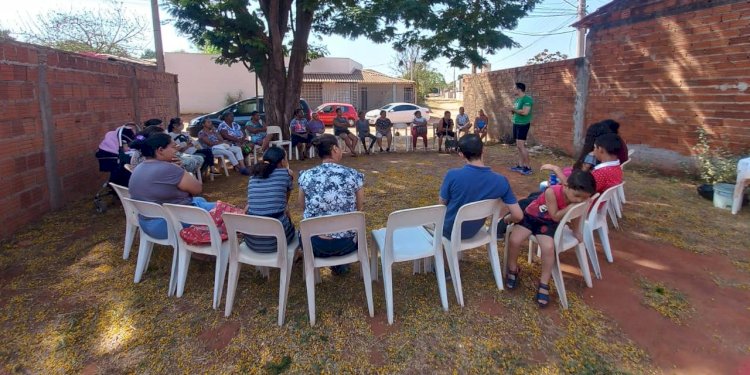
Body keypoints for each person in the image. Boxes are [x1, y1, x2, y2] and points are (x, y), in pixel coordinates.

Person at [503, 169, 596, 308]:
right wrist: (572, 206)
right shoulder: (551, 192)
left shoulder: (578, 200)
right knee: (514, 240)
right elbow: (555, 215)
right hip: (531, 217)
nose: (579, 200)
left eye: (583, 198)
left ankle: (544, 282)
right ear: (566, 186)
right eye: (577, 196)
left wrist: (576, 230)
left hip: (547, 224)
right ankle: (513, 269)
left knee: (548, 248)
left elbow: (575, 215)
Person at [128, 132, 216, 239]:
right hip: (168, 224)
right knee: (225, 211)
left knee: (200, 200)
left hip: (146, 222)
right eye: (173, 147)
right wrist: (181, 168)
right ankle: (212, 247)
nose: (176, 151)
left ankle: (197, 247)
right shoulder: (169, 168)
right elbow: (197, 188)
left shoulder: (139, 167)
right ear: (160, 150)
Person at [298, 134, 364, 275]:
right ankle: (340, 264)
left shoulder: (306, 175)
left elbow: (302, 206)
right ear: (334, 149)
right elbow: (359, 207)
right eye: (339, 147)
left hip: (314, 244)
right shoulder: (353, 174)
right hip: (346, 244)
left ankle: (334, 264)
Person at [439, 134, 523, 241]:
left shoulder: (452, 175)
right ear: (483, 150)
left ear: (461, 154)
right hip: (473, 231)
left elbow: (442, 205)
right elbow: (518, 215)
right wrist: (506, 219)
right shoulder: (501, 181)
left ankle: (443, 257)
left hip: (448, 231)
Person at [244, 147, 296, 253]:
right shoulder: (286, 174)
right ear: (282, 161)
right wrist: (287, 168)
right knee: (292, 226)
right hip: (277, 240)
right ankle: (296, 253)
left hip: (253, 240)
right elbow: (285, 203)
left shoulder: (253, 176)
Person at [543, 133, 624, 194]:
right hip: (592, 199)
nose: (593, 150)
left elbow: (575, 191)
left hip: (581, 205)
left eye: (594, 147)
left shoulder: (601, 173)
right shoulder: (616, 167)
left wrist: (556, 169)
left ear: (600, 149)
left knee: (539, 193)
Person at [510, 82, 534, 175]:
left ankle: (528, 167)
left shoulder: (527, 99)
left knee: (521, 146)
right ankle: (520, 165)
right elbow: (516, 111)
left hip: (523, 124)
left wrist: (514, 110)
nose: (513, 90)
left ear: (519, 89)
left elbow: (525, 112)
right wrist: (513, 112)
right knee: (518, 146)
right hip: (516, 123)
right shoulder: (517, 100)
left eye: (514, 88)